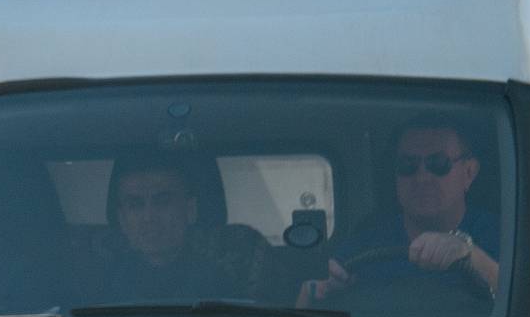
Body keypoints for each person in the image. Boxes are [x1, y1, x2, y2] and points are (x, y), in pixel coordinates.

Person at [302, 119, 499, 304]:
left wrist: (471, 257)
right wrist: (313, 292)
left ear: (469, 172)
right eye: (408, 165)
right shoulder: (364, 246)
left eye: (438, 164)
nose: (422, 178)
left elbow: (525, 307)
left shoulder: (506, 238)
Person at [90, 151, 269, 303]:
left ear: (190, 210)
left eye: (162, 201)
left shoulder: (229, 277)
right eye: (135, 205)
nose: (148, 217)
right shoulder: (95, 283)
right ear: (121, 218)